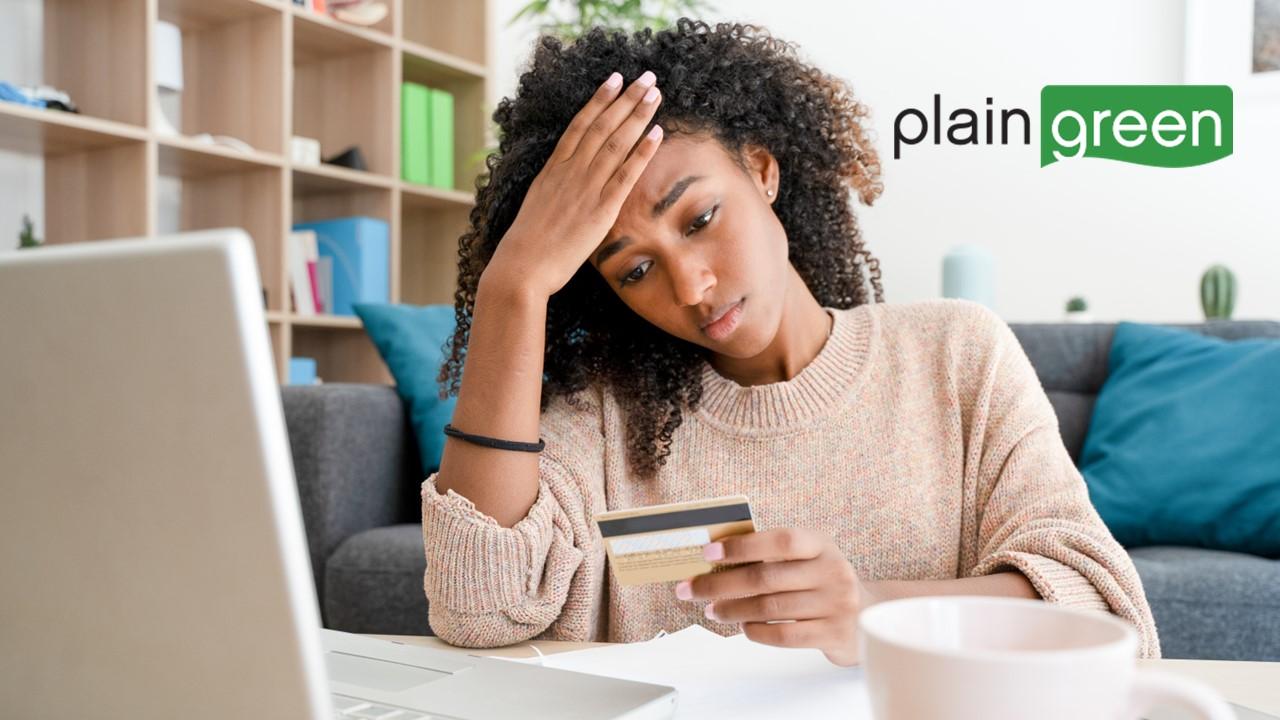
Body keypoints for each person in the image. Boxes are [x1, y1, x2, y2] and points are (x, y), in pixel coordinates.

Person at [421, 19, 1159, 666]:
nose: (690, 287)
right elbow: (476, 611)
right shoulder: (604, 418)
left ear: (763, 170)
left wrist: (872, 611)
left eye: (700, 218)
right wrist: (513, 286)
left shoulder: (955, 353)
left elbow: (1106, 611)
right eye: (635, 269)